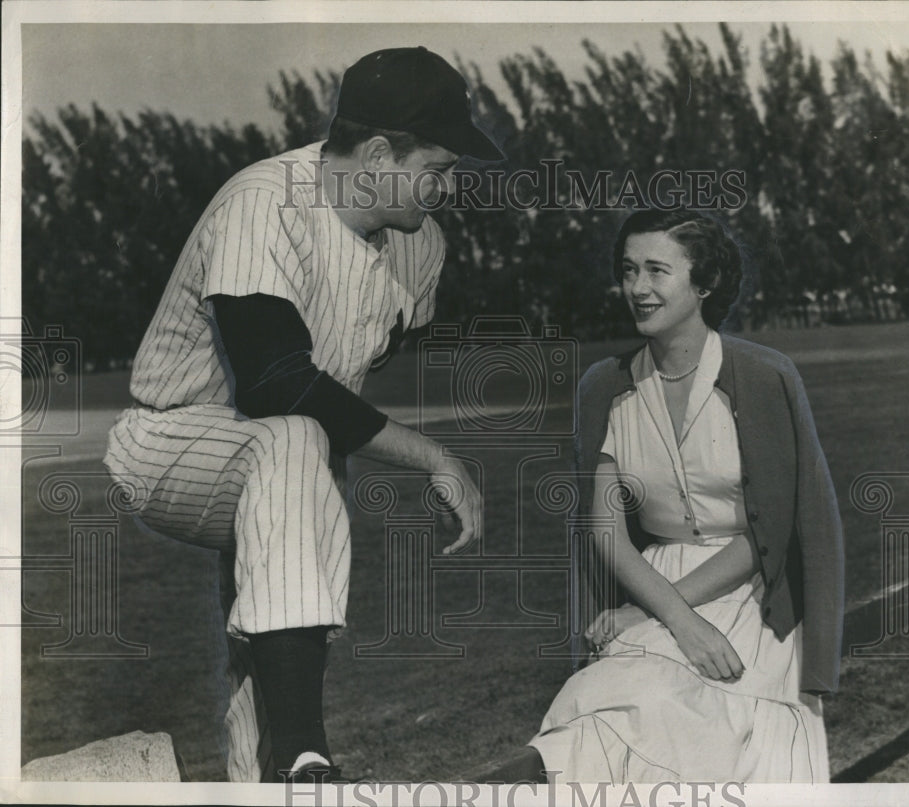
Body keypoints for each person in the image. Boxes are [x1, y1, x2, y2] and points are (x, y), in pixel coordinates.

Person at [103, 46, 502, 783]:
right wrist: (436, 456)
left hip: (286, 463)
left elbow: (358, 358)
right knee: (291, 439)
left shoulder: (421, 248)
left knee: (267, 643)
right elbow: (275, 381)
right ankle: (309, 759)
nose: (445, 190)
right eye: (437, 169)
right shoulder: (266, 199)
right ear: (379, 152)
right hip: (169, 440)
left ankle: (275, 776)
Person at [481, 209, 844, 784]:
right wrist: (672, 616)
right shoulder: (605, 385)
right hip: (652, 587)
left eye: (657, 270)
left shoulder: (764, 376)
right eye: (628, 271)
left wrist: (676, 618)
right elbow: (605, 531)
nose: (638, 289)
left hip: (754, 592)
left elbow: (774, 531)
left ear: (704, 283)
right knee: (603, 713)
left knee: (732, 740)